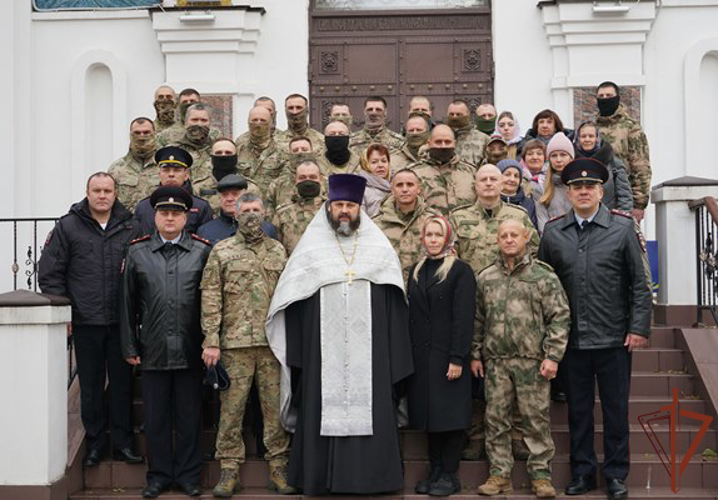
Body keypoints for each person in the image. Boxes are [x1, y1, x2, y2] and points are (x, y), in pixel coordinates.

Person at [265, 174, 413, 495]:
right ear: (328, 207)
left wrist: (392, 355)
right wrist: (302, 352)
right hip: (322, 354)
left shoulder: (379, 250)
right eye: (339, 205)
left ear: (360, 208)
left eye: (350, 205)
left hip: (372, 355)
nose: (344, 211)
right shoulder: (311, 248)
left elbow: (393, 304)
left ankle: (373, 479)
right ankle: (319, 477)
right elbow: (294, 299)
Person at [538, 158, 652, 500]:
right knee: (579, 413)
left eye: (590, 187)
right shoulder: (554, 232)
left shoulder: (621, 229)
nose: (583, 191)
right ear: (569, 193)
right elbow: (543, 286)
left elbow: (639, 284)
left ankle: (616, 474)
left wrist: (638, 327)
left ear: (601, 191)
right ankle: (583, 472)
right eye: (577, 187)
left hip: (614, 338)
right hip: (571, 341)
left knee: (616, 411)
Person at [38, 172, 142, 467]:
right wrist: (65, 311)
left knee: (122, 387)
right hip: (85, 321)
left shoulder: (131, 226)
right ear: (87, 192)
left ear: (115, 193)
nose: (102, 195)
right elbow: (51, 273)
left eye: (107, 190)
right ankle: (96, 444)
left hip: (121, 323)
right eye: (96, 190)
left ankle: (123, 444)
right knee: (92, 386)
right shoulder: (68, 227)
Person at [120, 185, 212, 498]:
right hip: (153, 348)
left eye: (176, 213)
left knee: (188, 417)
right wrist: (130, 346)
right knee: (156, 418)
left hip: (190, 348)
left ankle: (188, 476)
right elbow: (127, 304)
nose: (170, 218)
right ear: (155, 216)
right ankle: (158, 476)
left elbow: (211, 303)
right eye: (164, 212)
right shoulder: (137, 252)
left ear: (186, 218)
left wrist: (210, 343)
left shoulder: (202, 251)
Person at [200, 193, 294, 497]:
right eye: (246, 210)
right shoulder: (222, 251)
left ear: (265, 214)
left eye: (256, 210)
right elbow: (211, 296)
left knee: (274, 409)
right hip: (234, 345)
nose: (251, 215)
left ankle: (278, 468)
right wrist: (211, 340)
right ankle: (229, 471)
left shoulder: (278, 251)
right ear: (235, 215)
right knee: (231, 410)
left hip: (271, 345)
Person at [473, 219, 570, 498]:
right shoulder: (486, 277)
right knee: (495, 419)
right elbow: (478, 319)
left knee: (535, 419)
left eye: (514, 234)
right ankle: (499, 474)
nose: (509, 239)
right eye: (503, 235)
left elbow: (560, 318)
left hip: (532, 361)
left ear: (526, 237)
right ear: (497, 240)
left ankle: (541, 475)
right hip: (497, 362)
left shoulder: (543, 276)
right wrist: (475, 353)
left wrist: (553, 356)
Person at [449, 164, 539, 460]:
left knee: (510, 370)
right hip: (471, 307)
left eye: (493, 179)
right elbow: (452, 264)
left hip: (512, 306)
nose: (488, 184)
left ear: (504, 184)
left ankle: (514, 435)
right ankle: (477, 435)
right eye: (483, 179)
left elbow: (534, 259)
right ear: (474, 185)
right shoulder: (459, 218)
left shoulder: (519, 218)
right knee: (475, 375)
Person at [407, 215, 476, 496]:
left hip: (448, 356)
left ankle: (449, 472)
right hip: (422, 359)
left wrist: (458, 357)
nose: (433, 240)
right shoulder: (416, 269)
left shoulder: (460, 270)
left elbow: (463, 317)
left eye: (438, 235)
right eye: (429, 235)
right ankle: (435, 470)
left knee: (449, 417)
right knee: (429, 417)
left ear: (447, 238)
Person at [595, 81, 651, 222]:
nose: (605, 98)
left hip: (623, 198)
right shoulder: (592, 128)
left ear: (617, 98)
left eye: (609, 95)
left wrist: (639, 203)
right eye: (601, 96)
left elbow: (641, 165)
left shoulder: (631, 127)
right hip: (595, 197)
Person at [372, 168, 437, 283]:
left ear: (418, 189)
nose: (405, 189)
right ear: (392, 189)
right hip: (390, 288)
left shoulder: (433, 221)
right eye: (399, 185)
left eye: (410, 185)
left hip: (424, 288)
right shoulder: (377, 224)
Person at [134, 147, 213, 236]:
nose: (171, 174)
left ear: (186, 175)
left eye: (177, 170)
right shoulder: (143, 207)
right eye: (166, 170)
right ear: (159, 174)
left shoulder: (201, 207)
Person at [411, 124, 477, 216]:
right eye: (438, 142)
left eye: (447, 142)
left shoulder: (470, 171)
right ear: (429, 143)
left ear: (454, 143)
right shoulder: (413, 173)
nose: (443, 146)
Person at [196, 173, 277, 245]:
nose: (229, 199)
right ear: (219, 198)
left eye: (235, 194)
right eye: (224, 195)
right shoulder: (206, 230)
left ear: (244, 195)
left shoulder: (266, 228)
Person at [573, 121, 633, 212]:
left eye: (591, 136)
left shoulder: (613, 163)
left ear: (597, 138)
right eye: (583, 136)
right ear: (578, 138)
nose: (587, 139)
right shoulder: (571, 161)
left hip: (608, 219)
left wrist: (621, 220)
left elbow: (624, 197)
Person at [192, 137, 262, 214]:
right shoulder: (198, 187)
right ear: (211, 157)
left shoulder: (250, 187)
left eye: (228, 153)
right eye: (218, 153)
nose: (223, 156)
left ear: (236, 157)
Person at [272, 160, 327, 255]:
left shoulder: (331, 210)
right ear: (295, 180)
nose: (308, 181)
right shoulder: (282, 214)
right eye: (302, 178)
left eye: (313, 177)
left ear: (321, 179)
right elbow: (276, 247)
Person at [157, 103, 216, 186]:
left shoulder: (217, 151)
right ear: (185, 122)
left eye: (204, 120)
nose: (199, 124)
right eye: (194, 120)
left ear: (210, 123)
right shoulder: (173, 150)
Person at [108, 117, 159, 211]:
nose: (141, 136)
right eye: (137, 133)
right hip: (125, 223)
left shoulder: (165, 168)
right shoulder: (117, 168)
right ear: (130, 135)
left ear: (155, 134)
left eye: (146, 132)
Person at [236, 105, 288, 195]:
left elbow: (286, 183)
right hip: (244, 204)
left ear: (271, 123)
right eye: (254, 120)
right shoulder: (238, 149)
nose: (258, 123)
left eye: (263, 120)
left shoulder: (283, 150)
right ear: (248, 122)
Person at [533, 132, 575, 233]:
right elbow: (543, 224)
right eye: (554, 156)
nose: (558, 160)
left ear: (571, 158)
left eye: (563, 155)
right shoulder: (540, 188)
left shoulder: (581, 185)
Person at [446, 99, 489, 167]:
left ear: (468, 115)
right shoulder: (439, 137)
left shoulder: (483, 139)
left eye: (459, 114)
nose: (454, 117)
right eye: (451, 114)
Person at [497, 159, 537, 229]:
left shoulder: (528, 203)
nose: (512, 179)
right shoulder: (491, 201)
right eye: (507, 174)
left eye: (516, 176)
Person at [357, 143, 392, 217]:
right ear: (365, 165)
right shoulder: (360, 190)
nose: (380, 165)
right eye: (374, 162)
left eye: (384, 161)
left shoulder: (397, 185)